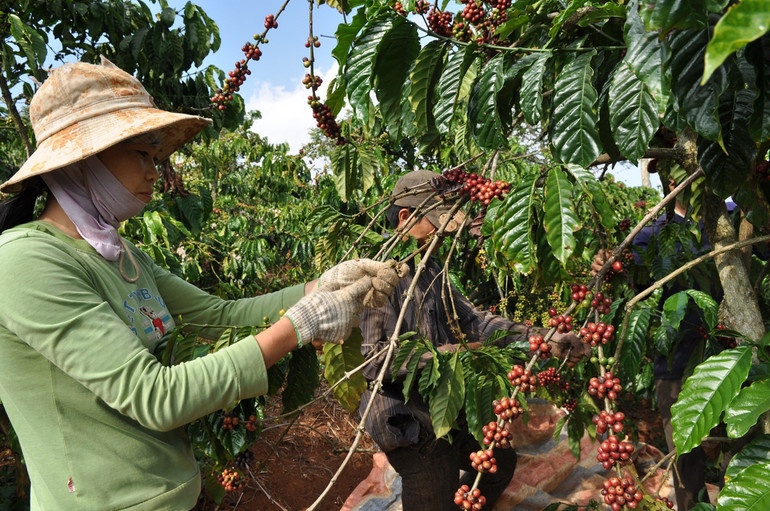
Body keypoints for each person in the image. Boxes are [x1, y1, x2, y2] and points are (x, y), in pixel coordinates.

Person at [0, 57, 403, 511]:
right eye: (141, 154)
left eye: (156, 157)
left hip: (177, 492)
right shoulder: (25, 261)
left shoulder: (124, 255)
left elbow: (218, 316)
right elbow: (155, 396)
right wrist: (299, 326)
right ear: (84, 158)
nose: (155, 172)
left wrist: (319, 288)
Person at [358, 170, 587, 511]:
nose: (443, 234)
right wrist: (445, 354)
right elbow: (375, 361)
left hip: (445, 405)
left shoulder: (431, 267)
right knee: (437, 479)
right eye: (436, 222)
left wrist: (543, 338)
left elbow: (474, 321)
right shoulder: (377, 276)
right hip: (408, 421)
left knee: (500, 463)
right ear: (405, 218)